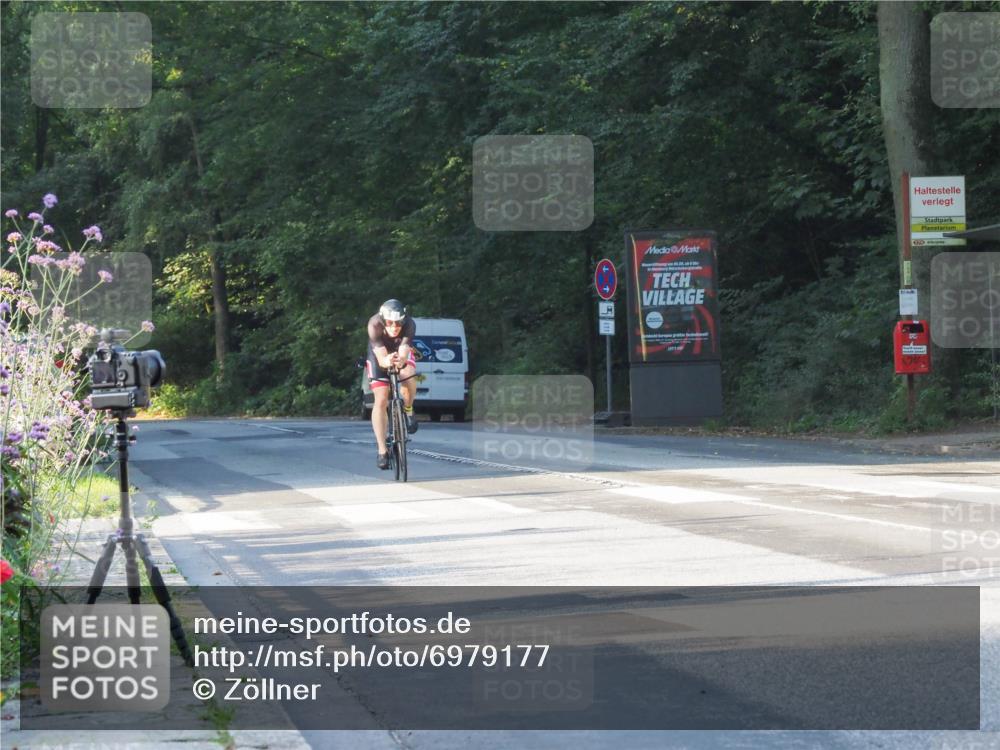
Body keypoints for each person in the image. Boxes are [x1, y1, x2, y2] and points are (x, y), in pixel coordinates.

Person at [366, 299, 419, 470]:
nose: (394, 327)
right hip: (379, 353)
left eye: (398, 323)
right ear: (383, 320)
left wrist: (401, 359)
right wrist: (386, 360)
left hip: (399, 349)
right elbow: (381, 359)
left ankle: (409, 409)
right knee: (381, 400)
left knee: (408, 374)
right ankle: (382, 450)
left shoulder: (410, 324)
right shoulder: (374, 324)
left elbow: (404, 350)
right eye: (389, 323)